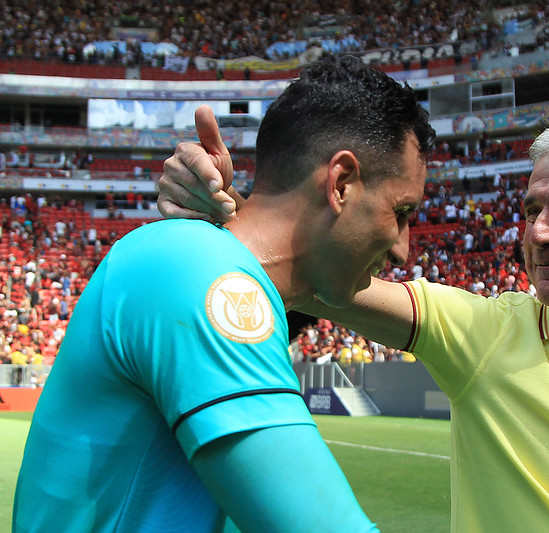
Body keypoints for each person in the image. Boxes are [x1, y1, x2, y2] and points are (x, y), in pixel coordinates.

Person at [159, 118, 549, 531]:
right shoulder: (484, 333)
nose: (539, 232)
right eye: (532, 209)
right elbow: (317, 277)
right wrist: (230, 215)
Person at [14, 55, 435, 532]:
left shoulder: (209, 266)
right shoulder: (201, 271)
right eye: (401, 213)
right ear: (340, 184)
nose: (403, 249)